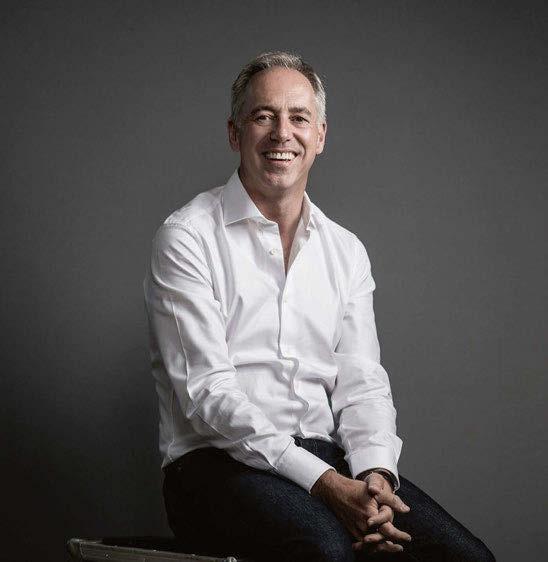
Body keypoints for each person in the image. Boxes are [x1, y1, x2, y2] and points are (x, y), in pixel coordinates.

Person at [144, 51, 495, 562]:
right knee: (327, 552)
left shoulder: (346, 251)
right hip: (213, 467)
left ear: (321, 135)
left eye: (299, 118)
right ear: (234, 133)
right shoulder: (187, 237)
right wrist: (326, 483)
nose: (282, 133)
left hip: (329, 460)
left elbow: (362, 382)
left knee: (467, 557)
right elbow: (208, 395)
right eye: (263, 116)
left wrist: (374, 476)